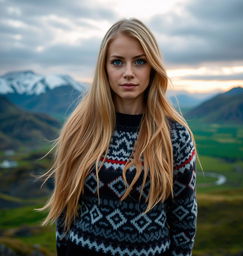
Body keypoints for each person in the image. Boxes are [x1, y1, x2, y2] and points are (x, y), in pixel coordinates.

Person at [40, 18, 198, 256]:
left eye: (140, 62)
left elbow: (184, 221)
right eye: (117, 62)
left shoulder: (174, 136)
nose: (128, 73)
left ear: (153, 66)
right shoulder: (80, 128)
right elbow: (65, 208)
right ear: (104, 68)